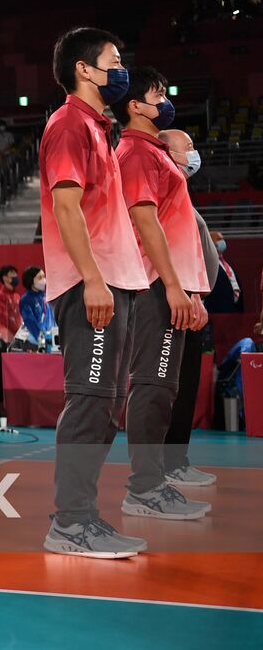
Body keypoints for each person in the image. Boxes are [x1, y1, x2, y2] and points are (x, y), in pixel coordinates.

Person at [38, 27, 151, 558]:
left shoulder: (98, 128)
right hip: (93, 286)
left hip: (115, 283)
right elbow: (66, 208)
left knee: (107, 405)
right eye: (114, 59)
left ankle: (84, 516)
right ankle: (70, 522)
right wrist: (92, 279)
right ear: (85, 69)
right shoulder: (67, 126)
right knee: (88, 401)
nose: (121, 67)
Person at [111, 70, 211, 520]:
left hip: (169, 285)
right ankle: (144, 489)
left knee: (165, 386)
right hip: (151, 285)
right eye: (157, 96)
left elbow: (179, 232)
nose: (164, 101)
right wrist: (172, 286)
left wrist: (190, 289)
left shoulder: (156, 154)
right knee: (152, 385)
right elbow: (145, 221)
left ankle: (153, 484)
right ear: (135, 105)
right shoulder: (134, 152)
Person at [158, 129, 220, 488]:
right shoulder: (164, 193)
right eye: (189, 147)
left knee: (186, 385)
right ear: (169, 153)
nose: (195, 153)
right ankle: (162, 466)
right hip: (177, 304)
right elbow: (173, 252)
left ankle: (176, 460)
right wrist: (188, 293)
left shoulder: (181, 193)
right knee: (169, 388)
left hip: (192, 303)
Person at [202, 230, 242, 314]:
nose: (223, 241)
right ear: (211, 243)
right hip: (217, 311)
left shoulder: (225, 264)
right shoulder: (207, 263)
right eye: (219, 239)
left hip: (233, 310)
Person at [18, 267, 56, 348]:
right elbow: (30, 321)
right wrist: (41, 339)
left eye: (44, 276)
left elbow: (53, 317)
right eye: (39, 277)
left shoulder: (46, 296)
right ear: (31, 280)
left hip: (50, 340)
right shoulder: (26, 300)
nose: (44, 280)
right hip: (33, 342)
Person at [0, 265, 22, 343]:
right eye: (12, 273)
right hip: (7, 338)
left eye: (16, 273)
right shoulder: (0, 296)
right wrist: (17, 331)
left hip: (19, 336)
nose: (15, 275)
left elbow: (20, 316)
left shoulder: (17, 296)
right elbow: (3, 318)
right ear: (5, 277)